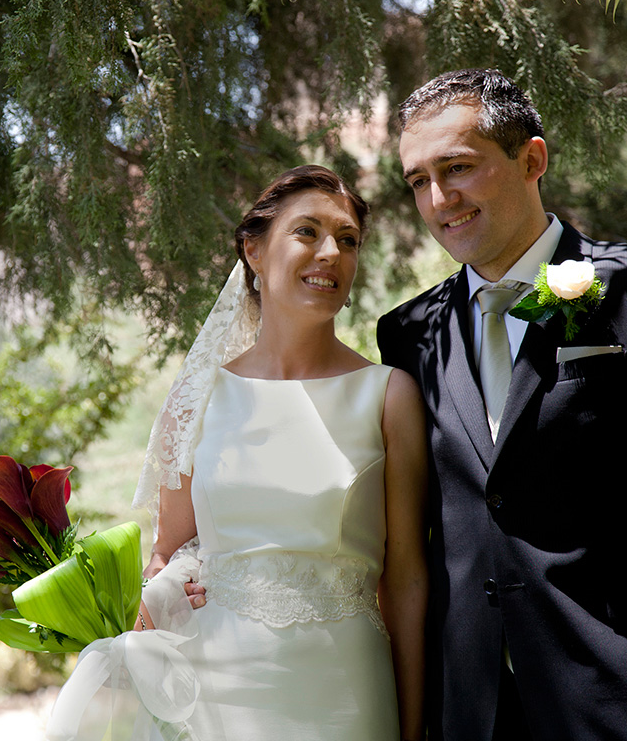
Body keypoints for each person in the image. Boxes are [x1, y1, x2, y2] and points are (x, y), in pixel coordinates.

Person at [378, 67, 627, 740]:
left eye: (459, 167)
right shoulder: (408, 334)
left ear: (532, 159)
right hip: (470, 711)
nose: (440, 198)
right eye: (418, 180)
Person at [49, 166, 428, 740]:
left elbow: (406, 581)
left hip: (345, 687)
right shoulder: (199, 396)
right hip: (213, 690)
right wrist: (161, 595)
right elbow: (165, 557)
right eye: (307, 232)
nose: (331, 252)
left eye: (347, 240)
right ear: (253, 250)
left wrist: (417, 727)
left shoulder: (388, 395)